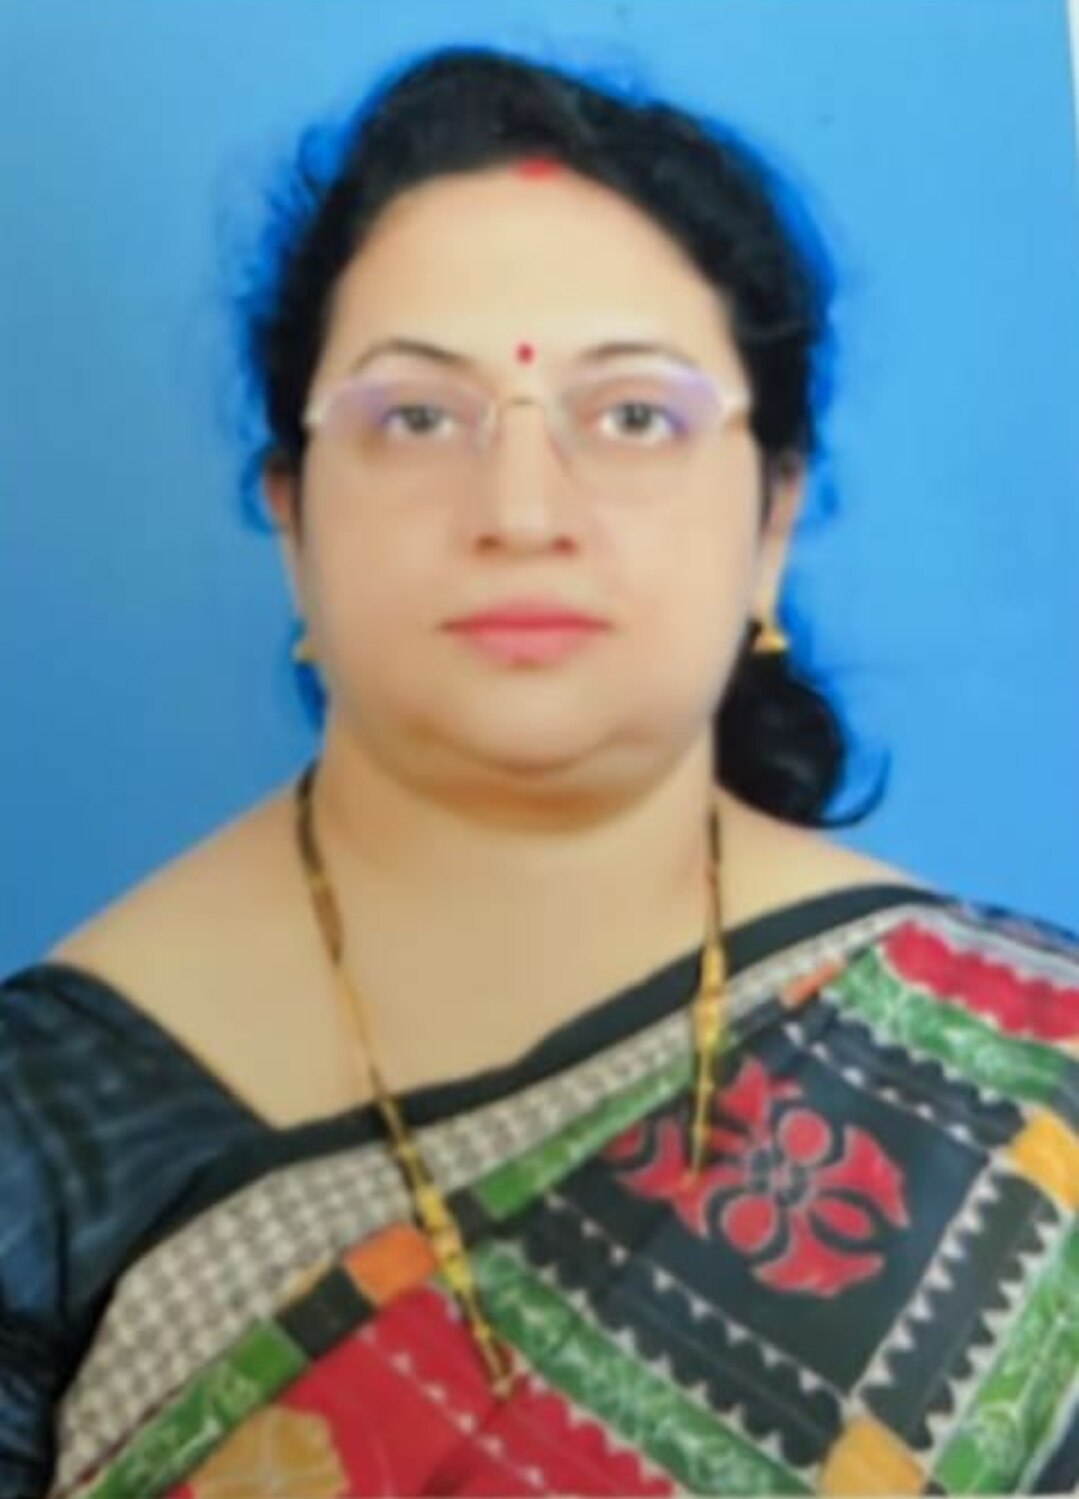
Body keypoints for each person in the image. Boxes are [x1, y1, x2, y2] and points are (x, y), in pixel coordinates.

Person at [1, 43, 1075, 1499]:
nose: (519, 510)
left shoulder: (1038, 1080)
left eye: (631, 417)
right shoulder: (41, 1130)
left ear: (772, 520)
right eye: (417, 418)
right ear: (293, 518)